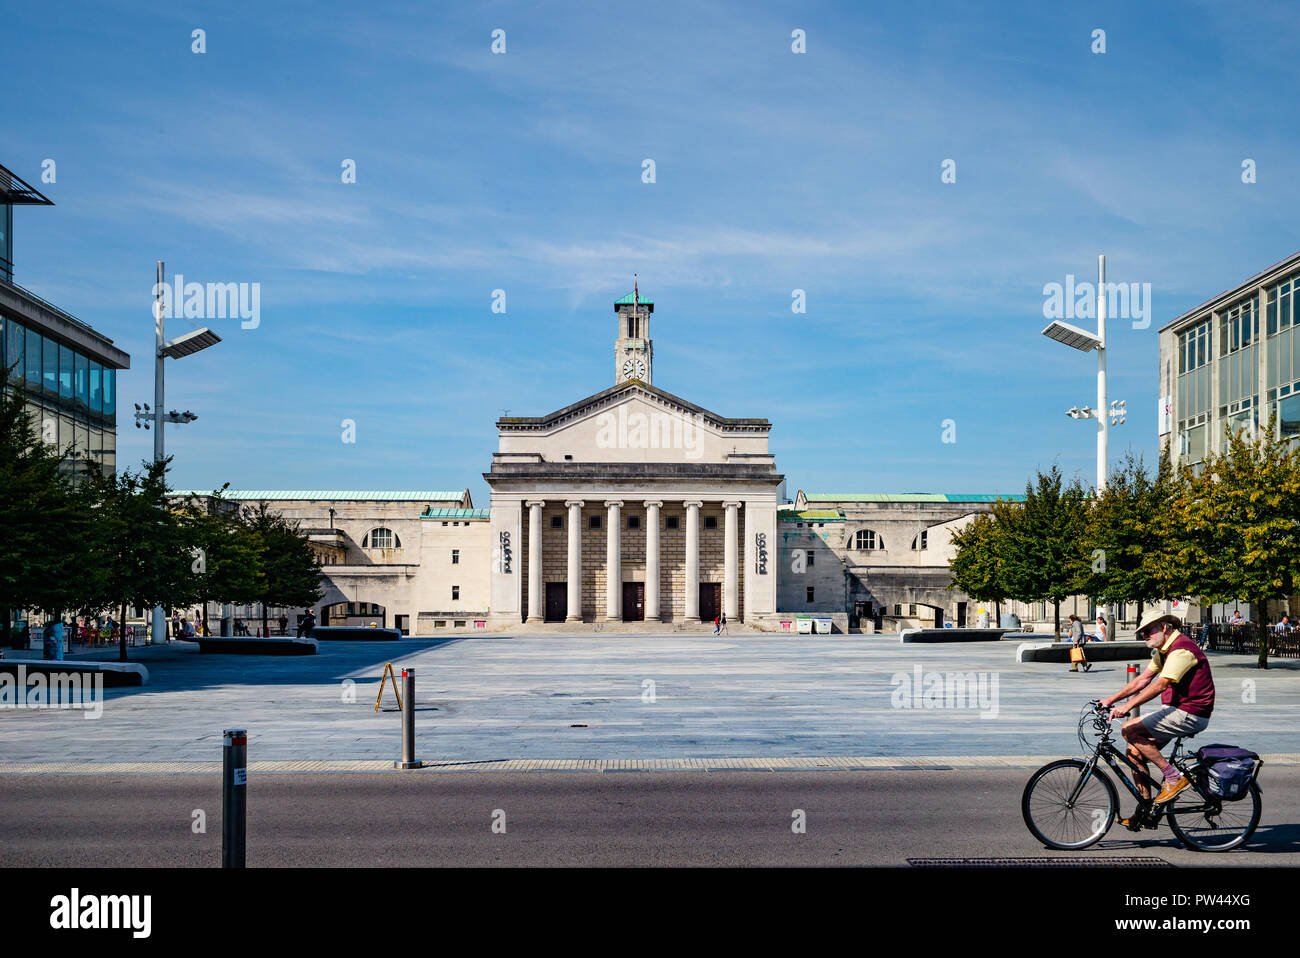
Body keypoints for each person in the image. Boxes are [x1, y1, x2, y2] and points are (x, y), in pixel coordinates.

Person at [1100, 610, 1215, 827]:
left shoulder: (1181, 650)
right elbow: (1142, 679)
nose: (1145, 635)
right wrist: (1111, 699)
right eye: (1142, 632)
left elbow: (1162, 684)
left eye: (1148, 630)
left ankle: (1173, 777)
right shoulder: (1164, 650)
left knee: (1129, 730)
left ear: (1164, 627)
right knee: (1134, 752)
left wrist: (1127, 706)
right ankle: (1146, 810)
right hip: (1176, 709)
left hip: (1191, 713)